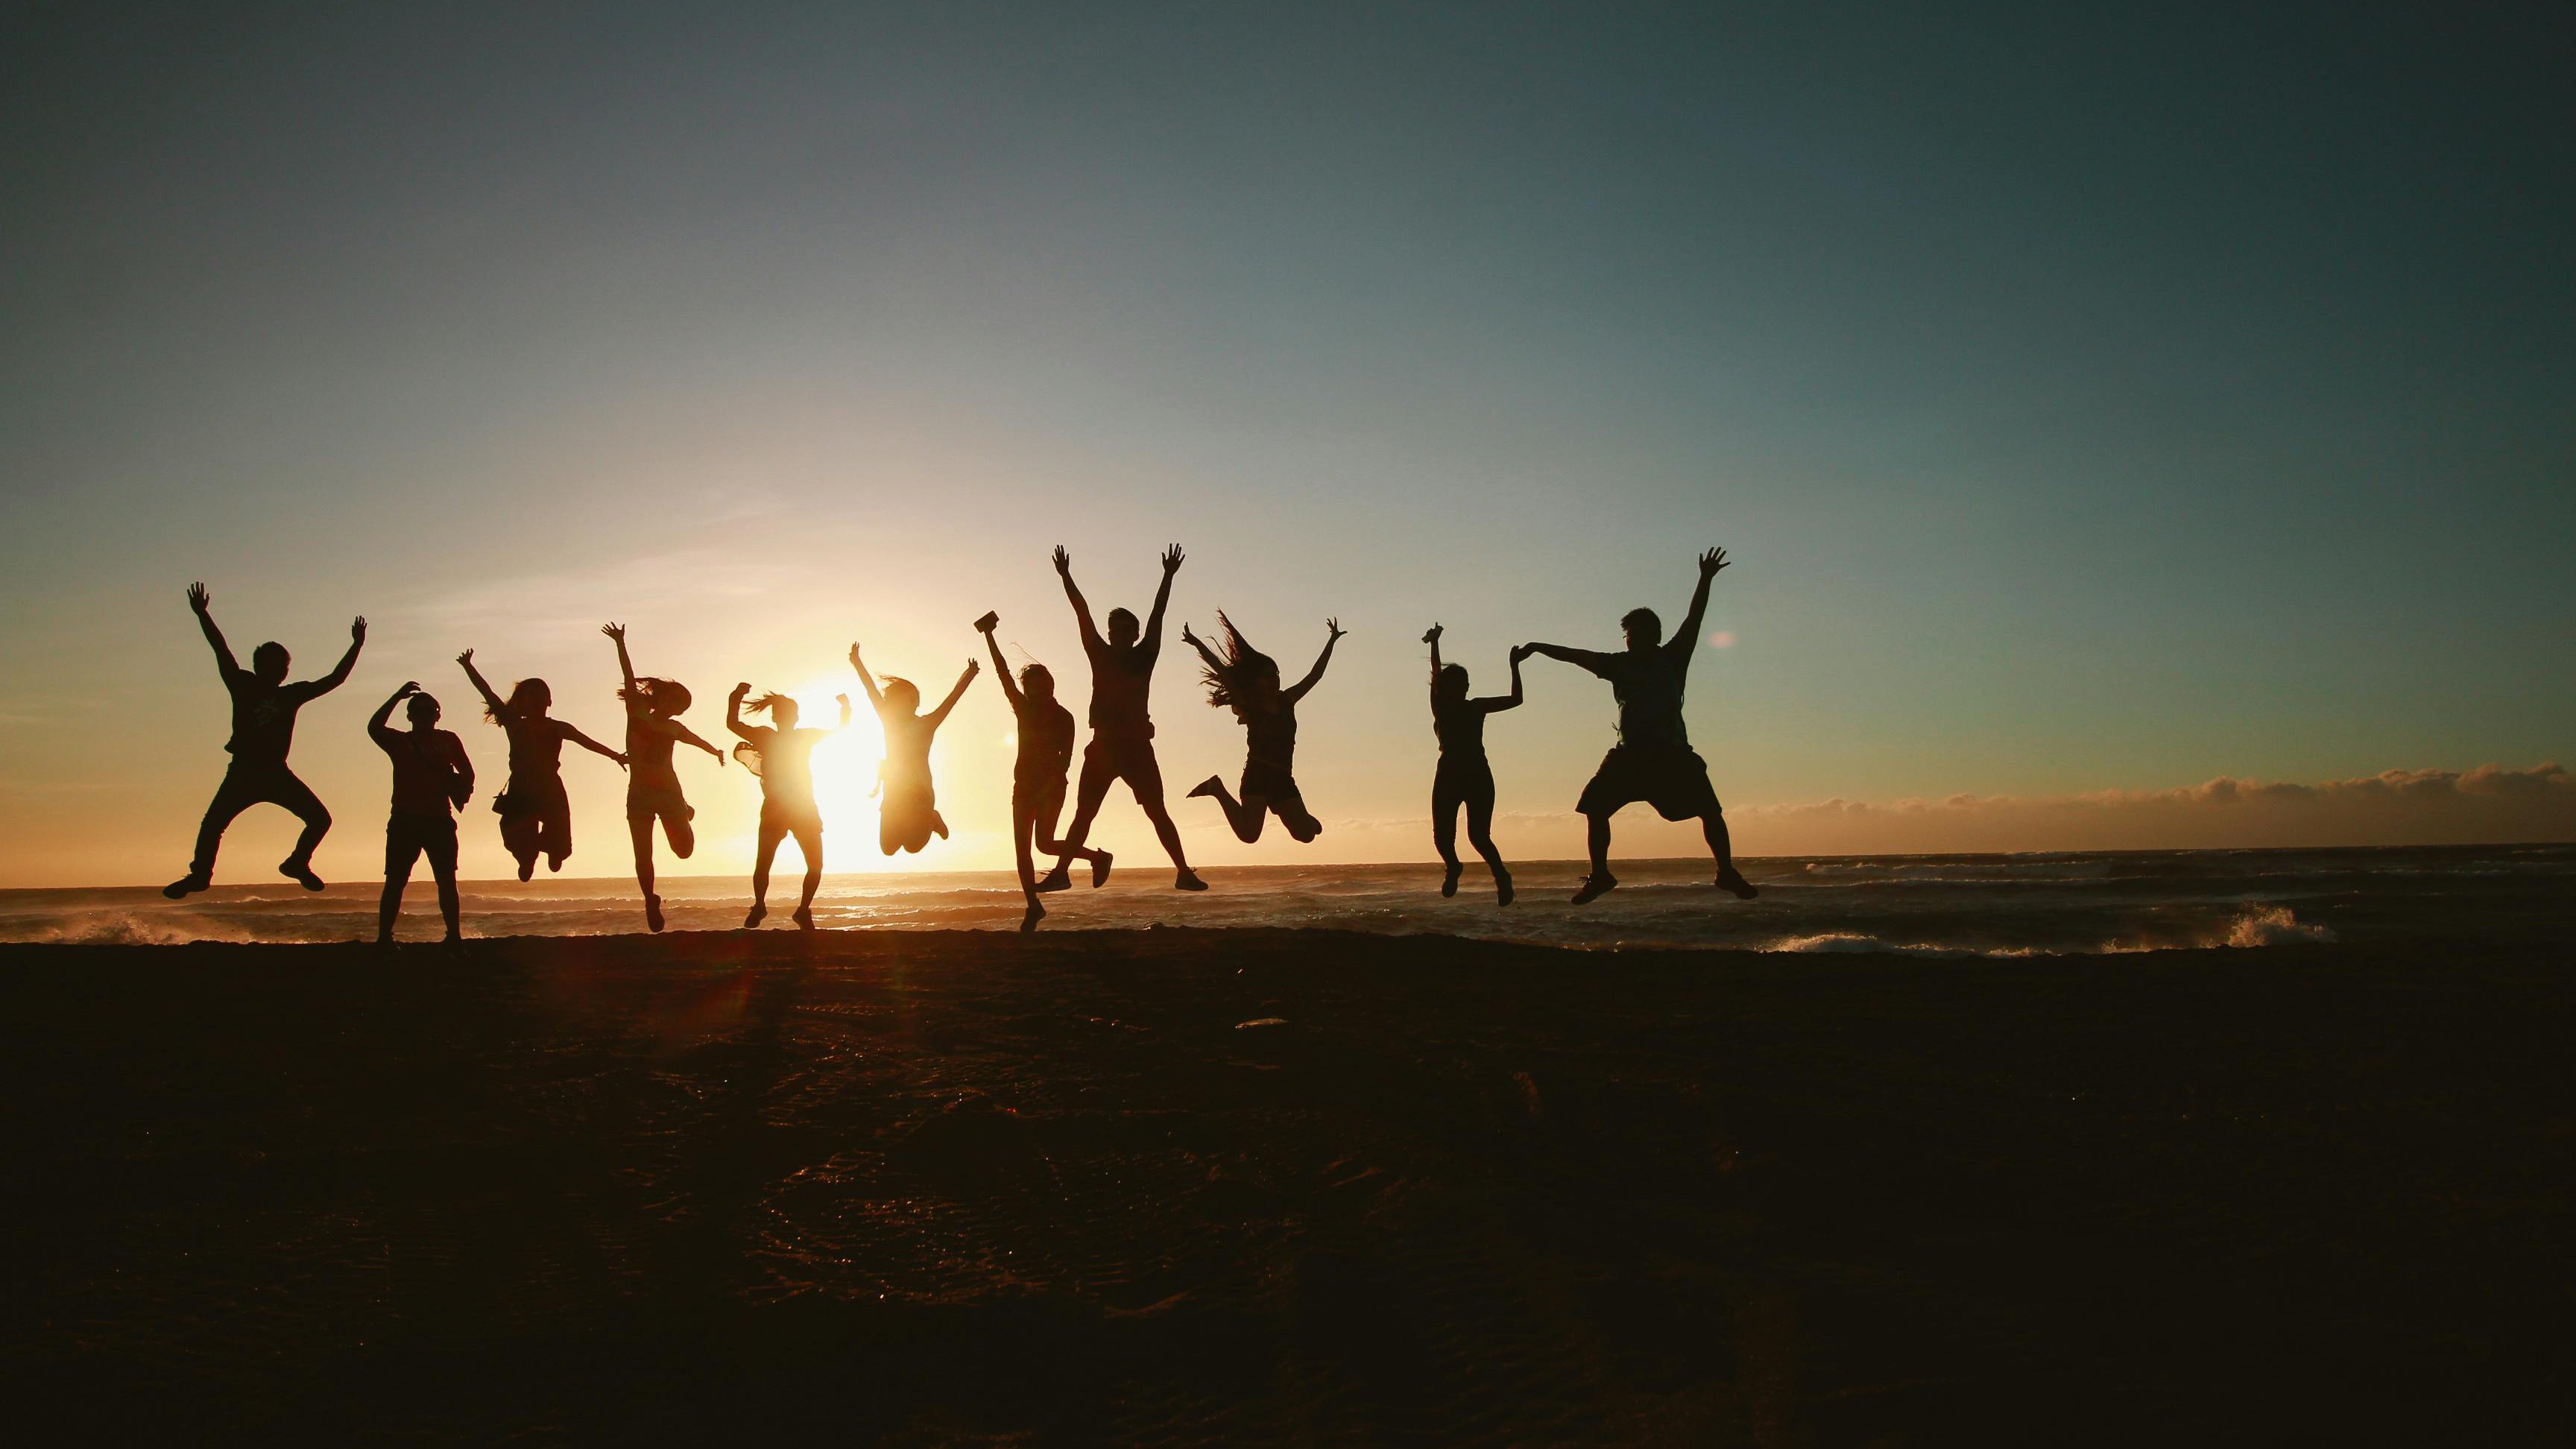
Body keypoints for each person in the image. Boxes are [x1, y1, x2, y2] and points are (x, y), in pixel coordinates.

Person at [1520, 548, 1758, 904]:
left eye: (1635, 634)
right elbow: (1575, 655)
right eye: (1628, 635)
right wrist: (1539, 647)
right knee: (1595, 808)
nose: (1630, 640)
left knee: (1710, 810)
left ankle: (1725, 871)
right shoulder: (1617, 664)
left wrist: (1705, 579)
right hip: (1628, 756)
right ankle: (1600, 875)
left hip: (1671, 755)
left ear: (1653, 636)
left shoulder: (1673, 657)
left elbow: (1695, 617)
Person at [165, 583, 365, 897]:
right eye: (270, 666)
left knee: (319, 819)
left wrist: (356, 645)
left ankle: (297, 863)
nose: (277, 672)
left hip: (275, 773)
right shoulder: (242, 683)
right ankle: (200, 875)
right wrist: (203, 615)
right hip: (244, 772)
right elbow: (221, 649)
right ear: (258, 667)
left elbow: (335, 679)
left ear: (286, 672)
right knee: (212, 825)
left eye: (281, 668)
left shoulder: (291, 694)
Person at [1048, 544, 1207, 891]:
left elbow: (1157, 614)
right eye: (1115, 630)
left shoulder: (1145, 655)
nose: (1119, 635)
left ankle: (1183, 872)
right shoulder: (1099, 654)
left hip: (1136, 747)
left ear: (1134, 635)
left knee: (1157, 812)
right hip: (1103, 746)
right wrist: (1066, 577)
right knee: (1083, 815)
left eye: (1126, 630)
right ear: (1109, 634)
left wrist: (1167, 576)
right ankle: (1061, 874)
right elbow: (1082, 613)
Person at [977, 611, 1112, 931]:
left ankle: (1097, 858)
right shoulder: (1022, 709)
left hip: (1052, 788)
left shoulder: (1065, 717)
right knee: (1024, 850)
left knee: (1045, 844)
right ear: (1028, 691)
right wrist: (989, 636)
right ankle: (1033, 907)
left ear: (1052, 685)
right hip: (1022, 787)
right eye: (1033, 688)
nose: (1040, 692)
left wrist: (1048, 785)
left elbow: (1066, 761)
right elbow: (1002, 674)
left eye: (1044, 686)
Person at [455, 649, 627, 881]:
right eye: (531, 695)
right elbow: (487, 692)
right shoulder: (514, 724)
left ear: (549, 701)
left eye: (541, 695)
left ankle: (553, 851)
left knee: (561, 842)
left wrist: (615, 755)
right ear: (522, 702)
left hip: (550, 788)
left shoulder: (558, 727)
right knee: (518, 837)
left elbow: (588, 742)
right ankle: (527, 858)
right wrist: (468, 666)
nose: (536, 700)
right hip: (521, 788)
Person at [603, 623, 725, 932]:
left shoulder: (674, 728)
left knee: (684, 851)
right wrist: (621, 644)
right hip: (639, 795)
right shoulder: (637, 711)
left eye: (681, 707)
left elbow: (695, 739)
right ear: (663, 698)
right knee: (643, 854)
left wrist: (715, 752)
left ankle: (685, 811)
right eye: (674, 701)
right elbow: (629, 677)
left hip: (670, 794)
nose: (676, 709)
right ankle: (649, 900)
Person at [1182, 613, 1343, 845]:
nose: (1274, 680)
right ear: (1256, 681)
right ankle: (1217, 789)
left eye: (1276, 675)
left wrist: (1332, 640)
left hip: (1283, 777)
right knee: (1249, 835)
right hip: (1258, 774)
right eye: (1267, 676)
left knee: (1306, 835)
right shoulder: (1251, 705)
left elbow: (1315, 675)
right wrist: (1197, 643)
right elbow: (1223, 673)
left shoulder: (1288, 700)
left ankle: (1297, 816)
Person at [728, 682, 847, 929]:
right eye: (784, 714)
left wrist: (845, 707)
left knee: (814, 864)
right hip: (778, 807)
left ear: (796, 716)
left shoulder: (800, 736)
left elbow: (841, 729)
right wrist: (736, 696)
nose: (787, 717)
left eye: (790, 714)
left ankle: (802, 911)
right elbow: (732, 725)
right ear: (776, 717)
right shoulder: (766, 735)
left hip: (803, 807)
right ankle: (760, 906)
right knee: (765, 863)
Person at [1423, 625, 1524, 905]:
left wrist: (1514, 666)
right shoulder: (1439, 706)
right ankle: (1454, 867)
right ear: (1446, 688)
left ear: (1467, 688)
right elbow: (1435, 674)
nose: (1459, 690)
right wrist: (1434, 644)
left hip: (1477, 775)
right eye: (1452, 685)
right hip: (1448, 776)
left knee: (1478, 836)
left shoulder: (1476, 706)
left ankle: (1502, 878)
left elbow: (1516, 700)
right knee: (1442, 838)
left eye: (1462, 686)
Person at [367, 681, 473, 943]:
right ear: (410, 716)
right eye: (419, 711)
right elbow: (374, 728)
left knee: (447, 881)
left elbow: (468, 772)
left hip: (440, 820)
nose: (425, 715)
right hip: (405, 820)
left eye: (430, 711)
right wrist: (396, 696)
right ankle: (384, 938)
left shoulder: (449, 739)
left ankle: (454, 937)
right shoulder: (400, 741)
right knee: (395, 881)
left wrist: (459, 788)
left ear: (438, 715)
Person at [848, 641, 977, 856]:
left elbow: (952, 700)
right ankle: (926, 821)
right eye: (891, 700)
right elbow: (871, 690)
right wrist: (856, 662)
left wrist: (969, 674)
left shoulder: (927, 724)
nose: (892, 703)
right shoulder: (888, 721)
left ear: (914, 703)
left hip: (919, 793)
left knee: (913, 846)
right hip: (894, 792)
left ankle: (932, 818)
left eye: (899, 699)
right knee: (888, 849)